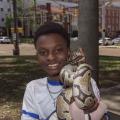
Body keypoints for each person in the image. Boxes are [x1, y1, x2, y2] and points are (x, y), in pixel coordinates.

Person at [21, 22, 108, 120]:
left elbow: (103, 116)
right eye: (43, 52)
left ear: (68, 52)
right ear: (37, 56)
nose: (51, 57)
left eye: (58, 50)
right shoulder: (33, 88)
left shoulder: (89, 82)